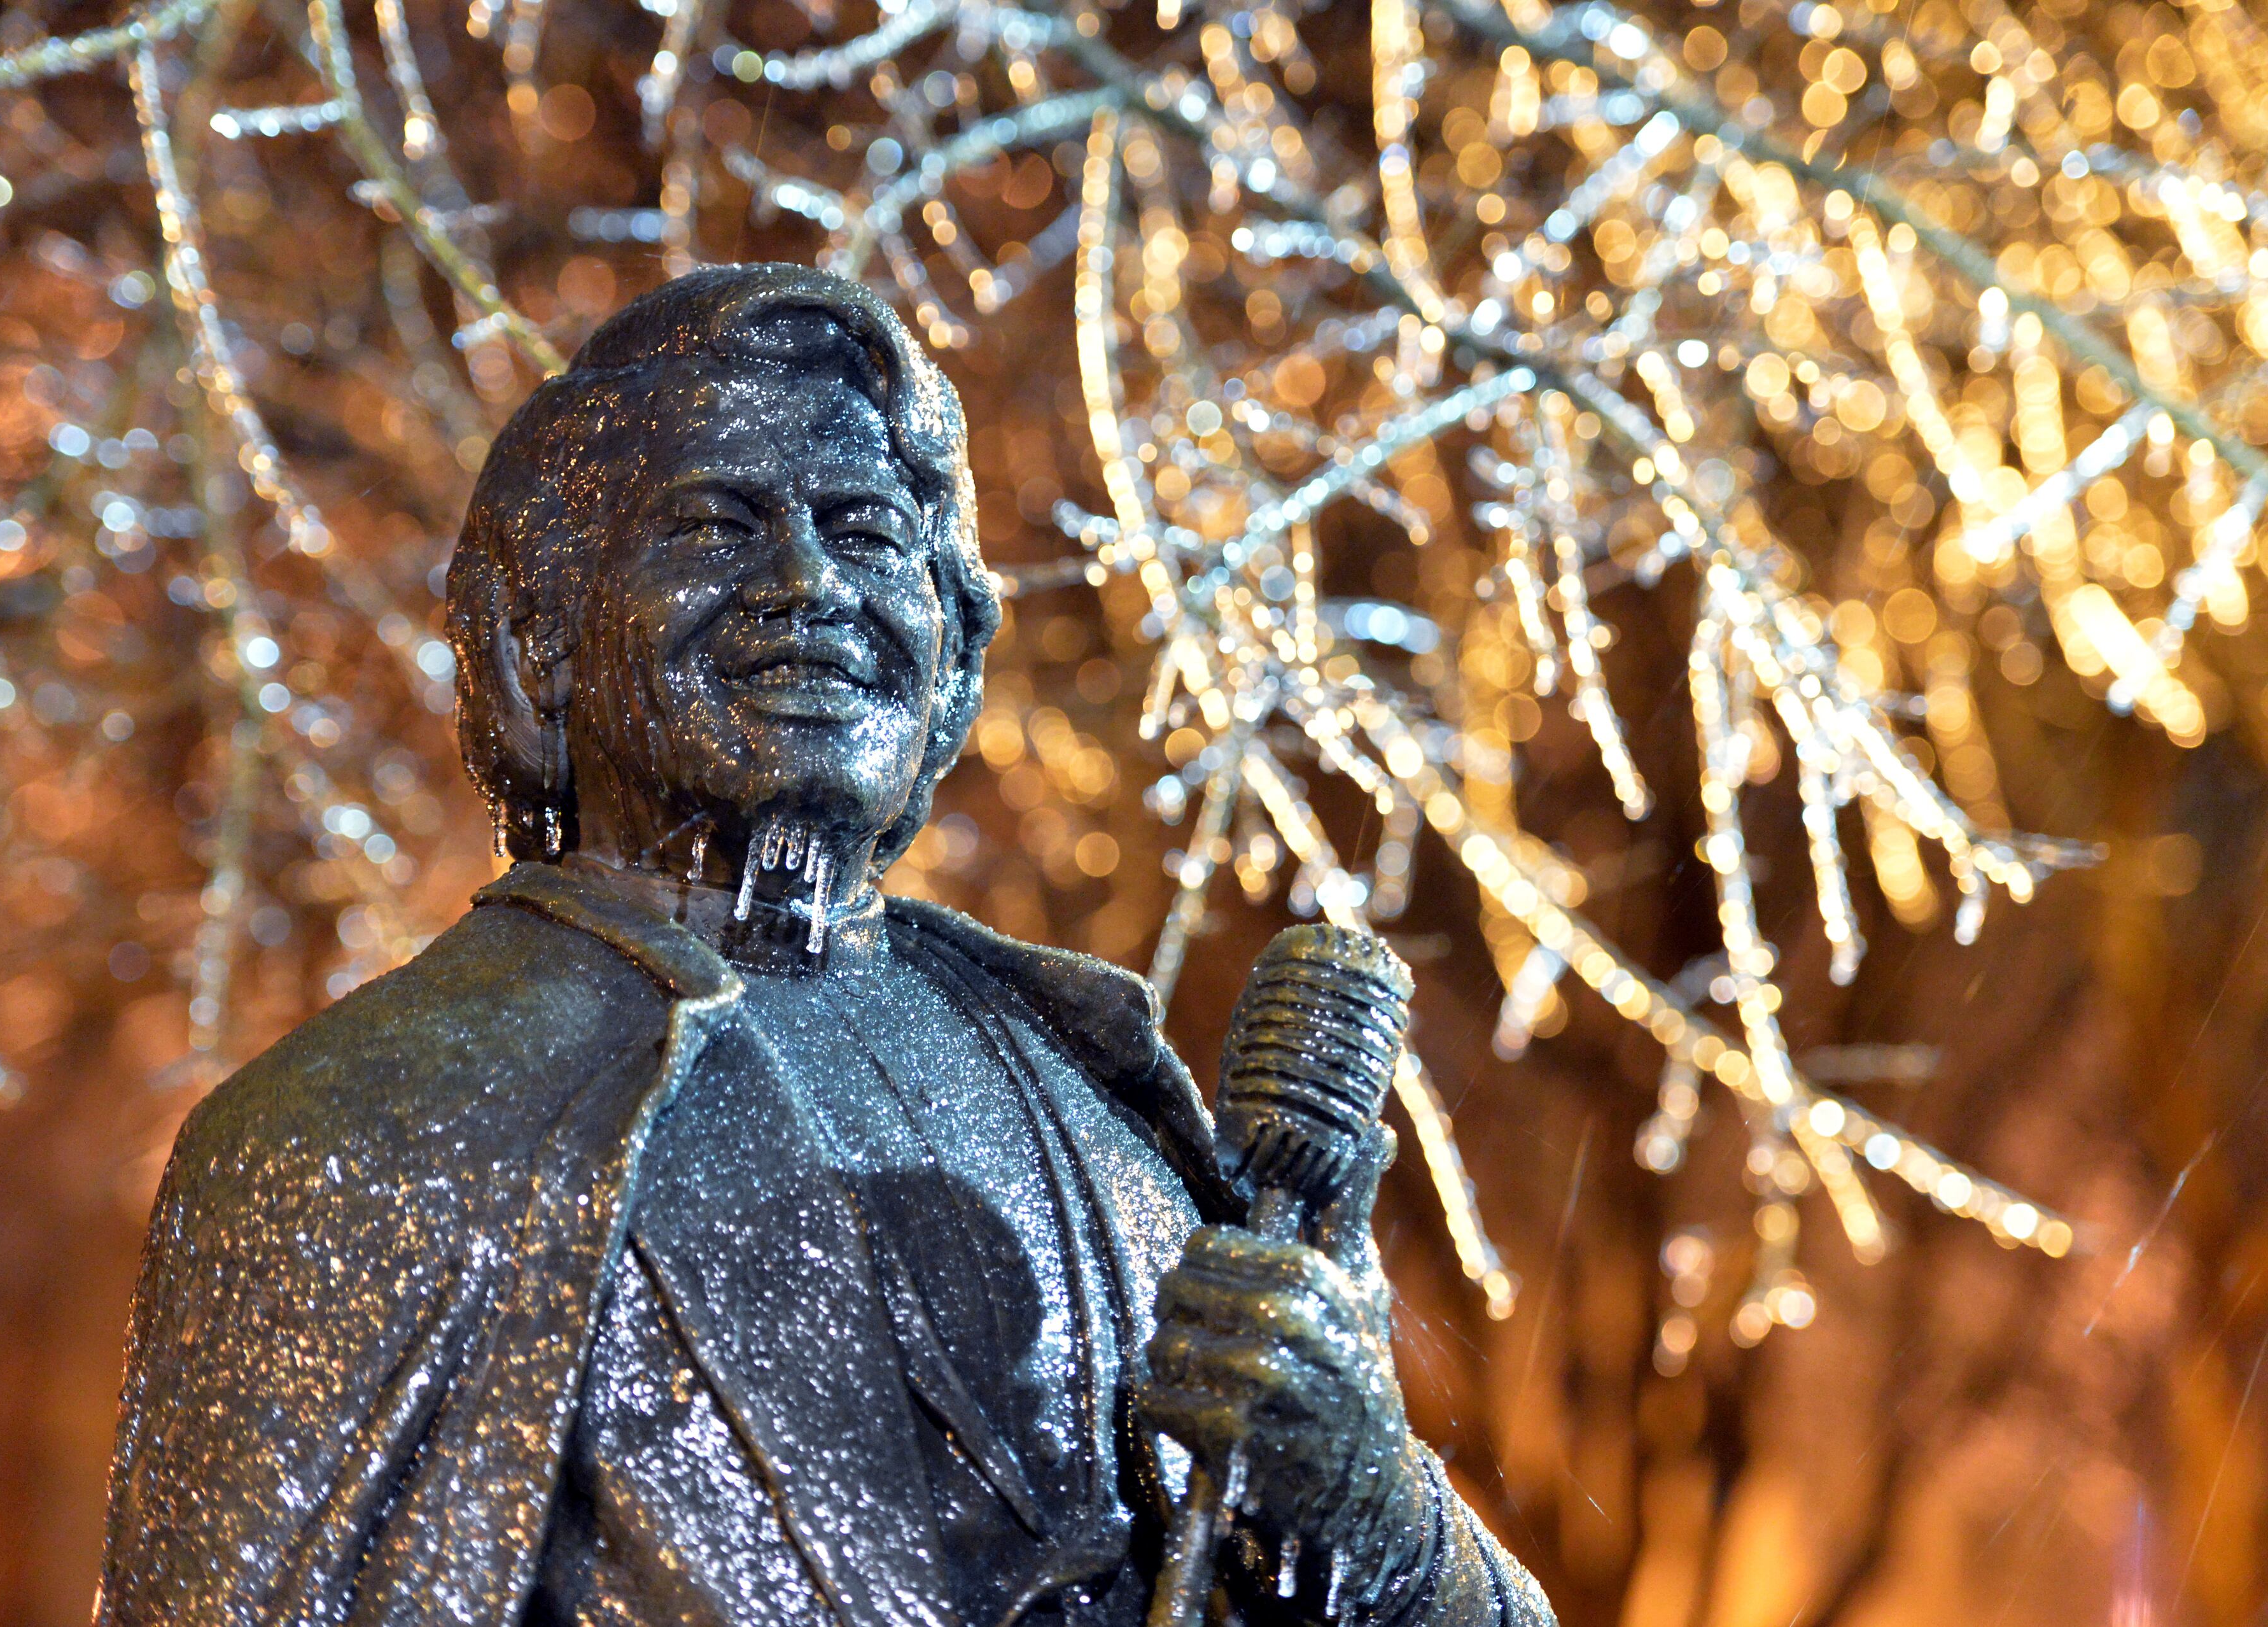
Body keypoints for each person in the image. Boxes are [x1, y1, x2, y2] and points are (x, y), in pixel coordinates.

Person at [97, 263, 1555, 1627]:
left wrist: (1375, 1520)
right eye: (716, 526)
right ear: (537, 637)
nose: (810, 587)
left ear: (957, 652)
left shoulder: (1102, 1098)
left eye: (865, 532)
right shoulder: (357, 1137)